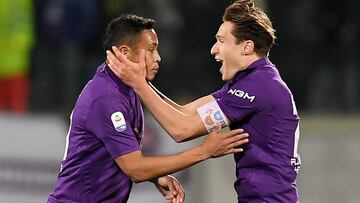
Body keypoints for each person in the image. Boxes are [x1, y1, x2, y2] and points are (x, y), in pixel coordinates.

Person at [106, 0, 301, 202]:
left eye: (222, 41)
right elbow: (185, 112)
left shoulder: (257, 87)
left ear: (246, 47)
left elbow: (182, 130)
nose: (214, 50)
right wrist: (141, 79)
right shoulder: (251, 80)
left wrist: (137, 83)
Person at [47, 14, 249, 203]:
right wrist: (204, 151)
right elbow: (135, 169)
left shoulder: (129, 85)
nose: (158, 57)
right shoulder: (106, 98)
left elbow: (181, 113)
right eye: (151, 49)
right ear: (125, 53)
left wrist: (156, 176)